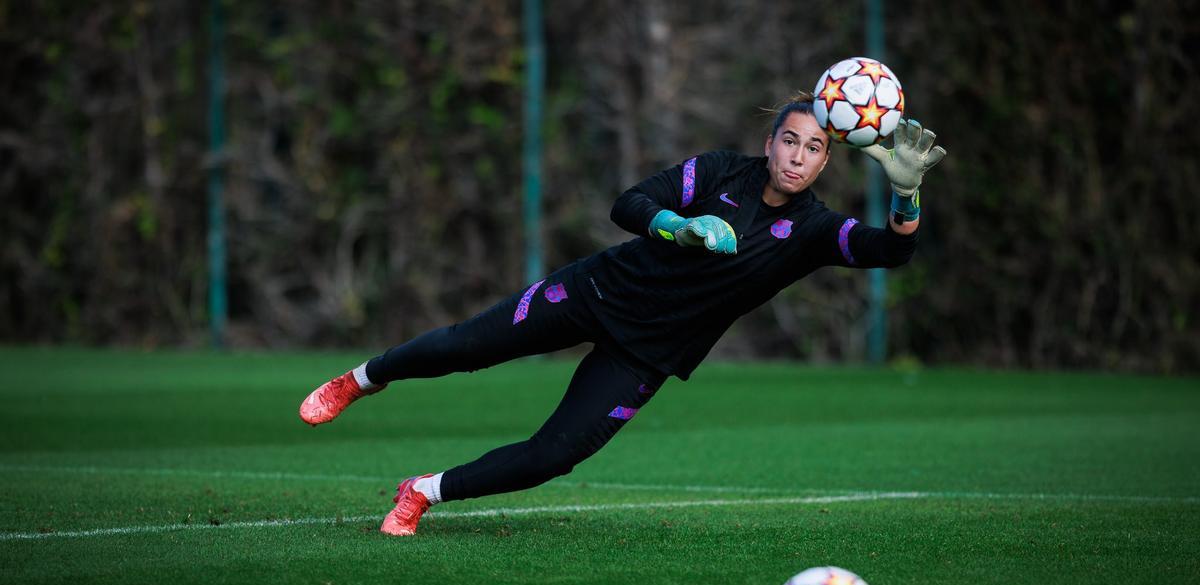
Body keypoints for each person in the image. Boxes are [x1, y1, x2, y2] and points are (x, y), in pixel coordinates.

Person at [298, 91, 946, 536]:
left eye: (813, 149)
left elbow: (889, 249)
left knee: (553, 455)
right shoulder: (720, 170)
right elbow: (629, 202)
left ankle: (422, 492)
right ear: (770, 142)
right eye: (789, 140)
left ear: (827, 160)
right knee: (464, 347)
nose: (798, 157)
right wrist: (678, 227)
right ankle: (360, 379)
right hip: (596, 291)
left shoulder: (811, 230)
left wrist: (906, 190)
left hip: (646, 353)